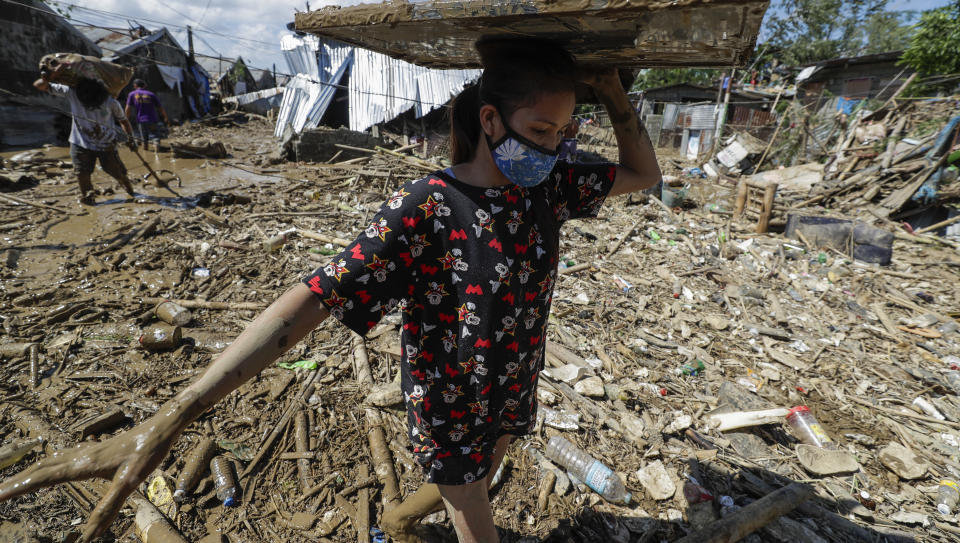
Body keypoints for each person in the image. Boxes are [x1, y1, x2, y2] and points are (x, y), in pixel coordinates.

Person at [2, 39, 660, 543]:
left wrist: (613, 95)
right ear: (491, 120)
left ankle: (399, 520)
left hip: (514, 383)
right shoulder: (428, 205)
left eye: (563, 133)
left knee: (478, 477)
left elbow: (643, 173)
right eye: (540, 131)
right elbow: (312, 297)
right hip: (450, 399)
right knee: (471, 505)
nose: (553, 146)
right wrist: (182, 407)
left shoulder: (552, 185)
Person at [33, 72, 136, 205]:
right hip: (80, 143)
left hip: (106, 144)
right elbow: (39, 85)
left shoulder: (111, 102)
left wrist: (130, 138)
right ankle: (88, 200)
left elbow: (124, 121)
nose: (88, 98)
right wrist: (46, 78)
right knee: (82, 173)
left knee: (116, 172)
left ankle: (129, 189)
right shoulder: (73, 93)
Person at [125, 78, 171, 147]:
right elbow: (160, 108)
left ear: (135, 85)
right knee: (155, 137)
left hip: (141, 120)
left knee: (144, 140)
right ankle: (156, 146)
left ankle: (145, 149)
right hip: (152, 119)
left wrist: (126, 119)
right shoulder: (151, 94)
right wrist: (166, 117)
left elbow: (128, 108)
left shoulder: (132, 94)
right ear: (144, 86)